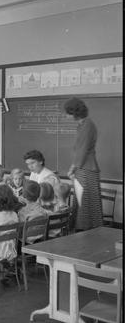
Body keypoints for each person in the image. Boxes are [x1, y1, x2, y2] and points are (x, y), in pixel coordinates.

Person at [64, 97, 103, 230]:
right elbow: (80, 150)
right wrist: (74, 168)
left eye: (68, 112)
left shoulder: (87, 125)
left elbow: (82, 150)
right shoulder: (82, 125)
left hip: (86, 168)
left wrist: (71, 169)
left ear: (75, 112)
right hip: (83, 168)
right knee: (82, 201)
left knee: (86, 202)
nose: (66, 115)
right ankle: (82, 231)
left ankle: (88, 232)